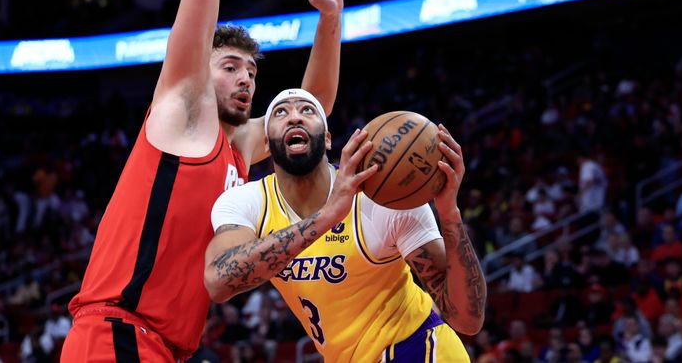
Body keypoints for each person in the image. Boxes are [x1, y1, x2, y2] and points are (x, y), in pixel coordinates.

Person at [61, 0, 345, 362]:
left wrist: (329, 19)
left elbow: (313, 107)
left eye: (252, 73)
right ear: (202, 70)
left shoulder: (236, 145)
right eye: (230, 66)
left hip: (160, 347)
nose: (245, 80)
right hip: (116, 334)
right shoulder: (183, 113)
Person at [206, 89, 486, 362]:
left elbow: (467, 320)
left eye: (307, 110)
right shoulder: (248, 202)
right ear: (266, 144)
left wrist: (449, 213)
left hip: (415, 348)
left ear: (327, 139)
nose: (294, 117)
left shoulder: (381, 200)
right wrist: (327, 217)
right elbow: (218, 283)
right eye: (281, 112)